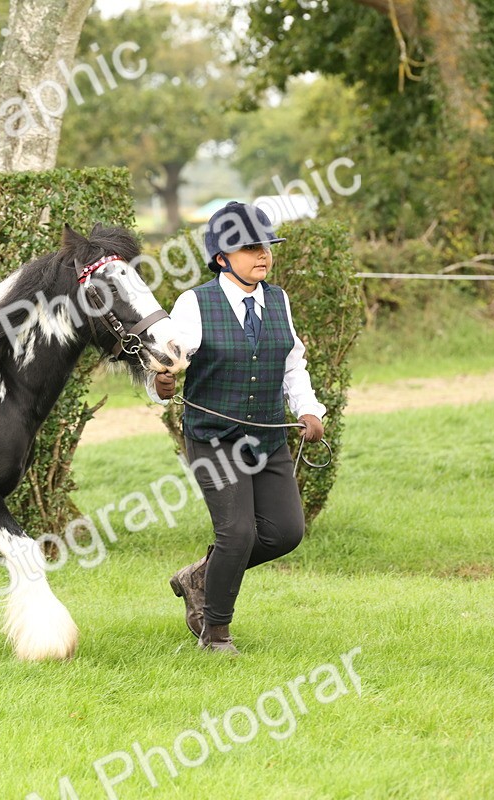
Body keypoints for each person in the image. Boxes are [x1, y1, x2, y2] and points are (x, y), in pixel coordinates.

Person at [146, 201, 326, 655]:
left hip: (268, 436)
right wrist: (161, 382)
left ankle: (199, 576)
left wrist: (309, 410)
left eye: (266, 246)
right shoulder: (195, 303)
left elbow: (292, 364)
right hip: (213, 438)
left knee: (286, 532)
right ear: (221, 257)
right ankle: (216, 634)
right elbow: (169, 359)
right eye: (249, 247)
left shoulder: (279, 300)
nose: (262, 254)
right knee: (238, 533)